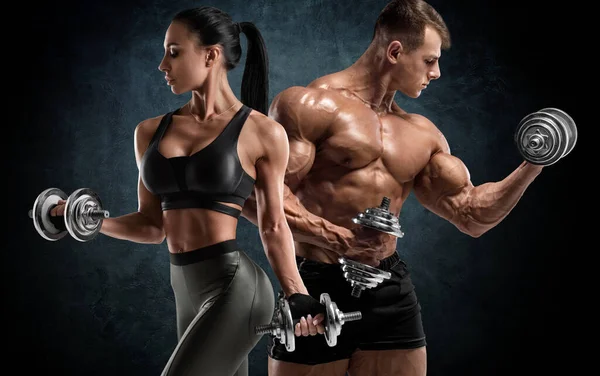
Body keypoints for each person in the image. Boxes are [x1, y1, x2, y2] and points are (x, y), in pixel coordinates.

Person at [240, 0, 549, 375]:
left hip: (389, 289)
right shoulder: (309, 105)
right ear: (395, 51)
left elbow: (472, 215)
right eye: (429, 60)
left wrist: (534, 163)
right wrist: (334, 239)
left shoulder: (422, 134)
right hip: (315, 283)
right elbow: (257, 200)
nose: (436, 73)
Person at [48, 6, 325, 376]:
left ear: (211, 55)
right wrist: (88, 221)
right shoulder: (149, 131)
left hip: (237, 288)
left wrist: (298, 294)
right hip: (186, 289)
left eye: (174, 52)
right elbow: (152, 226)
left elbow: (273, 226)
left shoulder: (262, 132)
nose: (163, 64)